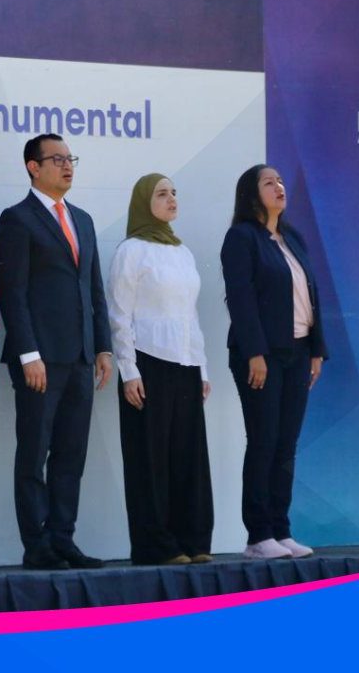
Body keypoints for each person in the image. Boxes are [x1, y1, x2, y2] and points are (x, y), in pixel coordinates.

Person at [0, 133, 112, 570]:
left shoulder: (82, 219)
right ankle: (37, 544)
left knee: (70, 454)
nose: (67, 166)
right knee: (34, 452)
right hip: (40, 359)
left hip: (80, 357)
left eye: (70, 158)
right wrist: (28, 353)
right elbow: (12, 292)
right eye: (57, 159)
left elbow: (94, 288)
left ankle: (63, 538)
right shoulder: (17, 219)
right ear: (33, 166)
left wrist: (103, 347)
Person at [220, 164, 328, 560]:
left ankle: (281, 530)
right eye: (269, 182)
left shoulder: (292, 237)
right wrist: (255, 353)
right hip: (261, 356)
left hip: (298, 353)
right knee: (264, 441)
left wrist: (316, 350)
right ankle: (258, 535)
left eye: (280, 181)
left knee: (286, 444)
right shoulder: (241, 238)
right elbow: (241, 299)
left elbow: (310, 297)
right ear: (251, 194)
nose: (279, 186)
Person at [107, 173, 213, 566]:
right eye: (162, 194)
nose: (171, 199)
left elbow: (190, 314)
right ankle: (157, 545)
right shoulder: (131, 251)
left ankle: (193, 540)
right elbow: (119, 314)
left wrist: (202, 368)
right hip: (147, 359)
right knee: (149, 457)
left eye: (174, 193)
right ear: (143, 202)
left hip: (185, 362)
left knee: (188, 454)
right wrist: (129, 370)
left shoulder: (182, 252)